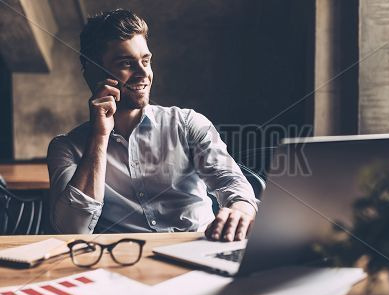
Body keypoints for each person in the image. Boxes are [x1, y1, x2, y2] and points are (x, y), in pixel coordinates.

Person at [47, 9, 257, 241]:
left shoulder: (187, 125)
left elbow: (231, 181)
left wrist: (241, 208)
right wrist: (99, 136)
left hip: (196, 254)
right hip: (124, 264)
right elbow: (71, 230)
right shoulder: (66, 148)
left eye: (145, 61)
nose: (143, 73)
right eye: (126, 63)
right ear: (92, 71)